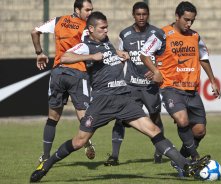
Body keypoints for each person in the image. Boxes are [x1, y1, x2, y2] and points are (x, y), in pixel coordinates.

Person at [30, 11, 210, 183]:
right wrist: (92, 56)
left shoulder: (106, 42)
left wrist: (118, 53)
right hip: (103, 101)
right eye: (102, 28)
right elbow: (65, 57)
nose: (106, 31)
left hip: (124, 98)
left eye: (107, 27)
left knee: (154, 130)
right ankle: (47, 165)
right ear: (91, 29)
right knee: (79, 141)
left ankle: (185, 165)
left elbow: (109, 52)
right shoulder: (86, 45)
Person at [140, 0, 221, 174]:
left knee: (199, 131)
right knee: (182, 120)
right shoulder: (162, 34)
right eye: (186, 19)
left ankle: (181, 161)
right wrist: (155, 71)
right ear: (177, 17)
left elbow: (203, 58)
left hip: (192, 90)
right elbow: (144, 54)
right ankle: (194, 158)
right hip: (171, 88)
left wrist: (213, 81)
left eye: (192, 20)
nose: (189, 23)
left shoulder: (195, 36)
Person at [30, 0, 95, 162]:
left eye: (91, 10)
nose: (90, 13)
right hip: (78, 73)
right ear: (77, 9)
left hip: (58, 73)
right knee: (84, 116)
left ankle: (45, 156)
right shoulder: (88, 27)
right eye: (87, 10)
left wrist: (40, 52)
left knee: (52, 118)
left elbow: (34, 32)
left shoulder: (58, 20)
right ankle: (86, 142)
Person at [104, 1, 164, 166]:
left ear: (148, 15)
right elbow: (122, 58)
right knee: (120, 117)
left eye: (144, 14)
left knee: (155, 117)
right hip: (131, 85)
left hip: (150, 86)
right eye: (138, 14)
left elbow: (163, 58)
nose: (141, 17)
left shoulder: (156, 33)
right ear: (133, 15)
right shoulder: (125, 34)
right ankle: (114, 156)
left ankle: (159, 151)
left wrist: (158, 71)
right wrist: (117, 79)